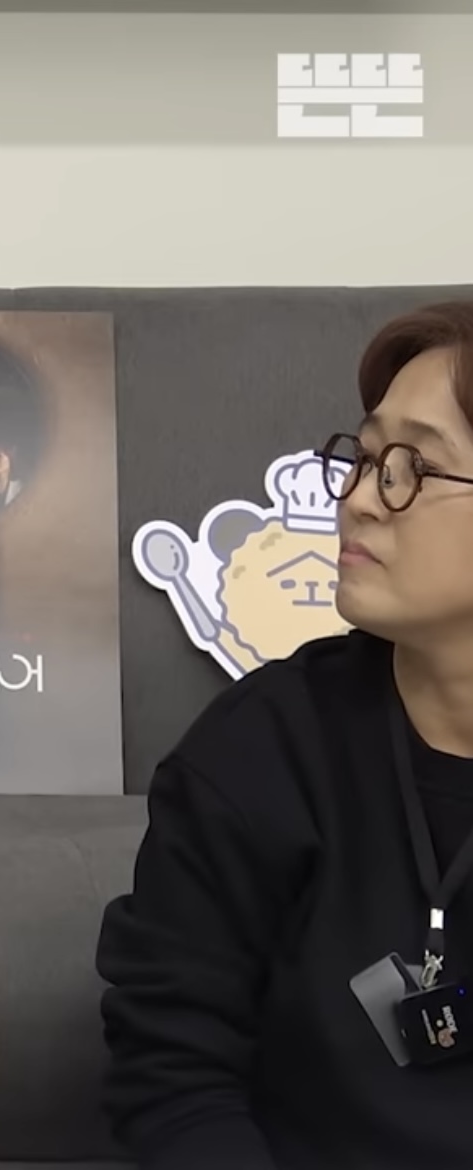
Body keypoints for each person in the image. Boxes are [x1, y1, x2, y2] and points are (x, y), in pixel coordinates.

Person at [95, 302, 473, 1170]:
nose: (357, 500)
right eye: (365, 457)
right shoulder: (259, 750)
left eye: (411, 469)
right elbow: (172, 1076)